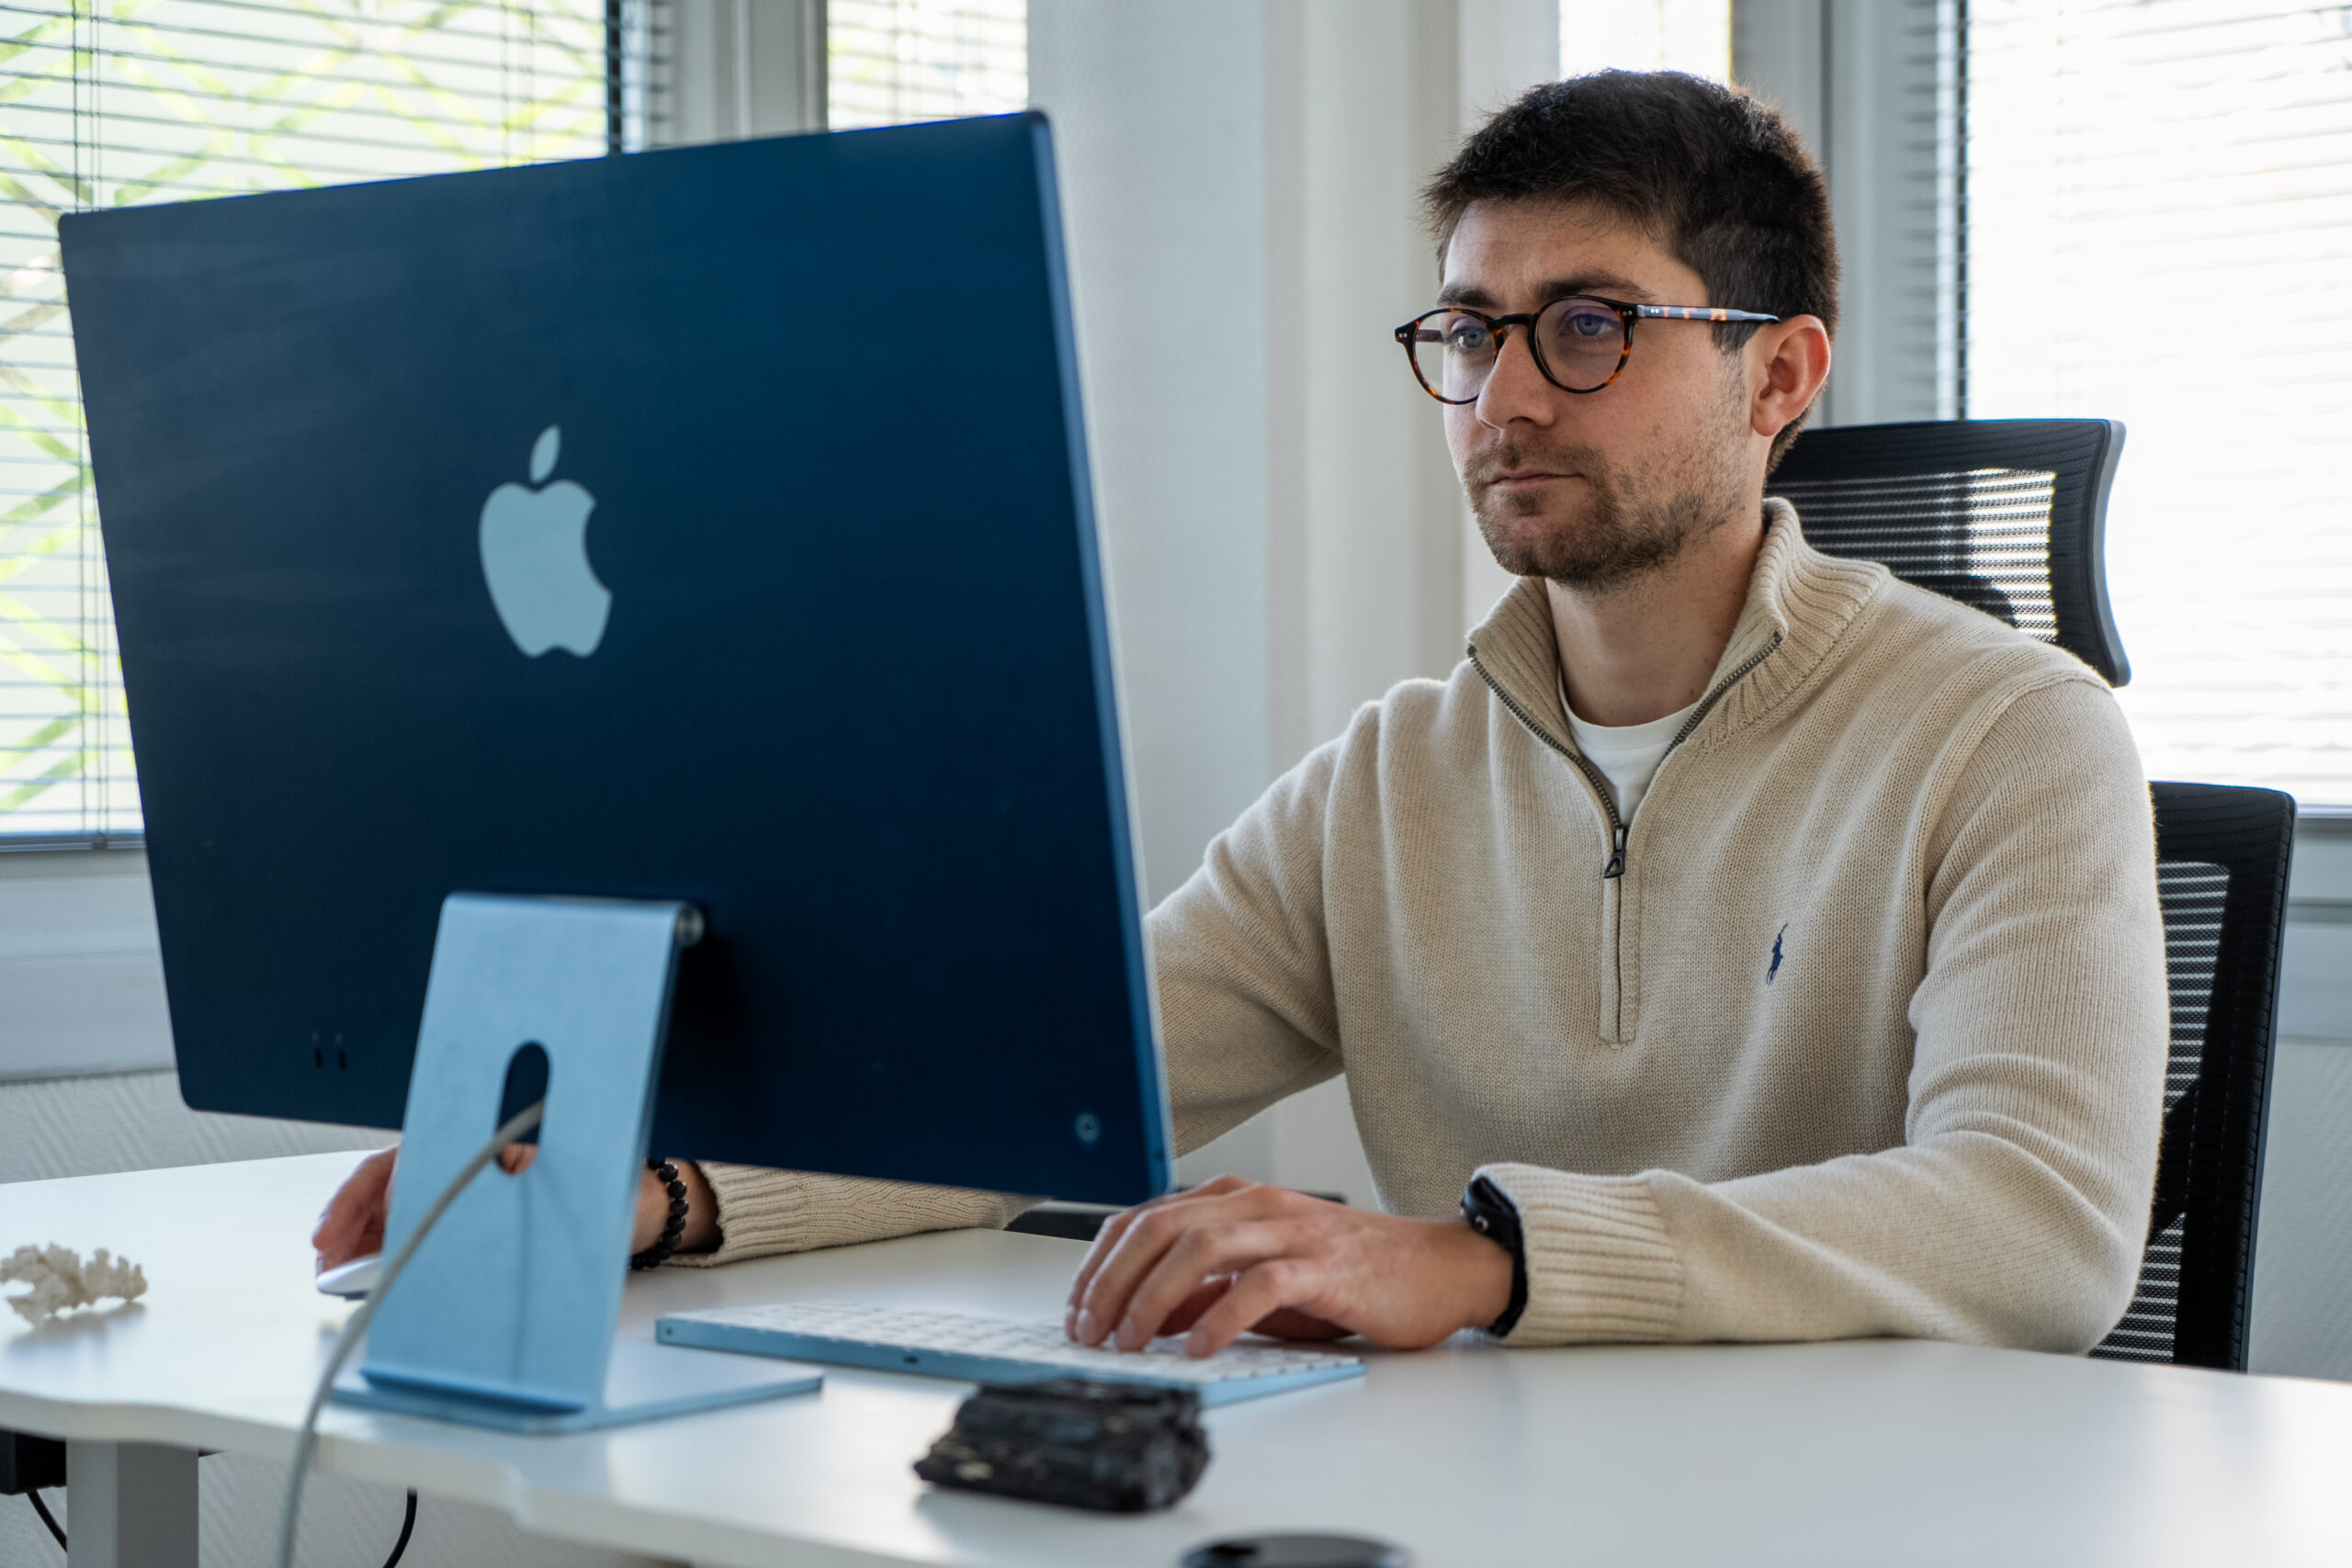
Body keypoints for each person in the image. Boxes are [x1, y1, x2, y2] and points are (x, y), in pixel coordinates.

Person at [318, 70, 2168, 1359]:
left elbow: (2032, 1224)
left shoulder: (2010, 734)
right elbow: (1047, 1101)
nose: (1503, 395)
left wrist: (1483, 1257)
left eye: (1588, 323)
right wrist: (668, 1187)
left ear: (1777, 373)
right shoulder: (1388, 777)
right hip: (1500, 1491)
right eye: (1466, 330)